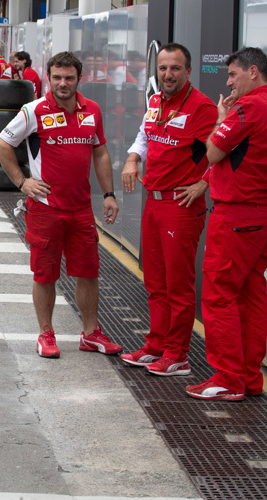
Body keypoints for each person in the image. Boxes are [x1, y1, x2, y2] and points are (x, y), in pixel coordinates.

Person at [0, 51, 122, 358]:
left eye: (69, 78)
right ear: (48, 78)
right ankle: (46, 334)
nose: (63, 84)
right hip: (45, 208)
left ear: (79, 78)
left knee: (88, 272)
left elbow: (101, 153)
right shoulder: (33, 110)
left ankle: (90, 334)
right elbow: (1, 144)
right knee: (45, 274)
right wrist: (22, 182)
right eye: (57, 78)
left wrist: (108, 194)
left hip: (81, 210)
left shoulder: (91, 110)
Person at [120, 43, 216, 376]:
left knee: (178, 285)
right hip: (153, 203)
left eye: (175, 68)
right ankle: (156, 345)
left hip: (181, 206)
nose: (168, 74)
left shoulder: (202, 107)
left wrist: (204, 184)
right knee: (155, 282)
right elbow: (144, 137)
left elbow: (222, 152)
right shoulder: (156, 101)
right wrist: (132, 159)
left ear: (188, 71)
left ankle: (178, 354)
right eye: (163, 68)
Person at [185, 47, 267, 401]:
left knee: (219, 295)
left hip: (235, 213)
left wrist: (221, 118)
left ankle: (228, 378)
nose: (229, 83)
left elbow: (214, 152)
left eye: (233, 75)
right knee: (251, 296)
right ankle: (248, 377)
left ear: (252, 71)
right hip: (257, 214)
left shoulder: (248, 108)